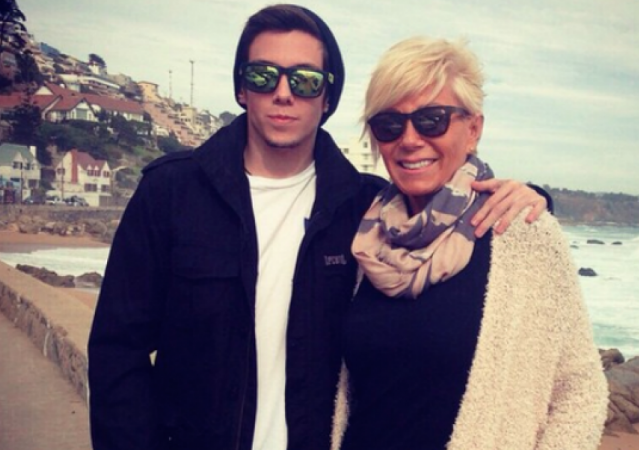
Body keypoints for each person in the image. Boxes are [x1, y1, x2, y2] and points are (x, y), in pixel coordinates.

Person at [87, 5, 549, 450]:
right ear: (242, 89)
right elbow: (117, 352)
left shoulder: (367, 210)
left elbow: (445, 217)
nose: (283, 93)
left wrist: (534, 197)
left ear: (327, 97)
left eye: (305, 80)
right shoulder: (171, 192)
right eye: (263, 76)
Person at [331, 37, 609, 450]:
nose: (409, 139)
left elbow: (580, 390)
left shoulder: (521, 233)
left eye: (432, 120)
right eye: (389, 125)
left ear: (473, 129)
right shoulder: (367, 238)